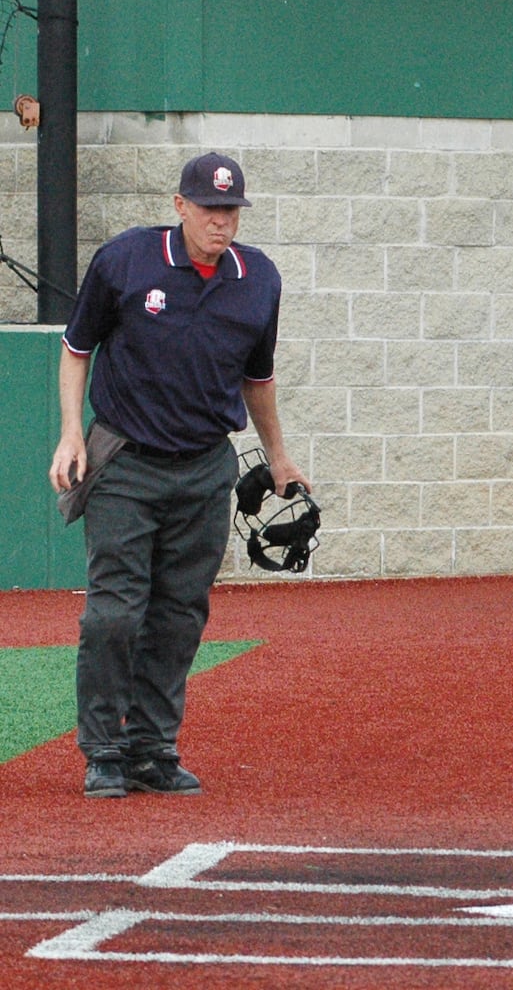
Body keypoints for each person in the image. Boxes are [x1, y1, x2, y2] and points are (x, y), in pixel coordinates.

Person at [48, 152, 307, 799]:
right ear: (180, 205)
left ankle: (151, 748)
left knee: (179, 613)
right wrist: (71, 432)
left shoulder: (259, 280)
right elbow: (77, 349)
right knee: (114, 613)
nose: (221, 222)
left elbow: (259, 377)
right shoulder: (126, 261)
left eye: (231, 211)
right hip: (125, 463)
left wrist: (278, 456)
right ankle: (104, 749)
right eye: (210, 209)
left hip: (203, 468)